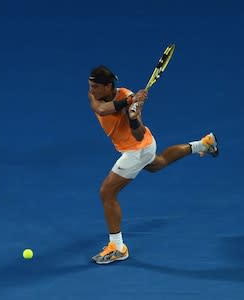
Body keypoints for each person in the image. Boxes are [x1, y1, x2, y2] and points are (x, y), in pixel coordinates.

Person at [88, 65, 219, 265]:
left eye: (96, 87)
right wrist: (129, 102)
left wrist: (132, 118)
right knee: (158, 164)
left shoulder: (128, 96)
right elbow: (101, 109)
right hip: (144, 147)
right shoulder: (101, 97)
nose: (92, 90)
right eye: (90, 86)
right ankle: (204, 144)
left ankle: (117, 247)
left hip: (137, 150)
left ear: (108, 86)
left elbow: (138, 134)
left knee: (107, 192)